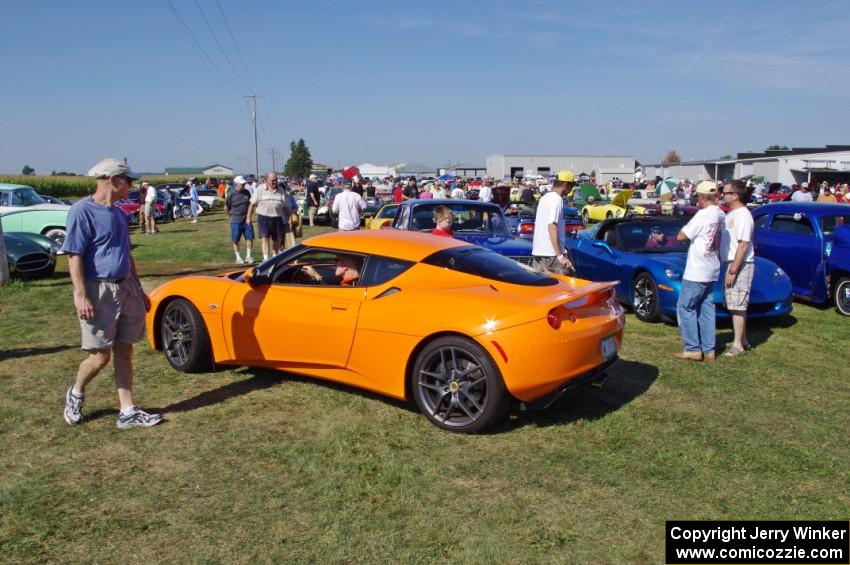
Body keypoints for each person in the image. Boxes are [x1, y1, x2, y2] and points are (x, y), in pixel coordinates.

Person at [61, 158, 162, 429]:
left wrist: (139, 290)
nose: (132, 185)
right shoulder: (82, 211)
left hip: (126, 287)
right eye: (129, 181)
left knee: (125, 350)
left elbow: (127, 255)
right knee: (100, 357)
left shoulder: (118, 213)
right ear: (114, 180)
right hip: (98, 290)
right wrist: (82, 295)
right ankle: (76, 392)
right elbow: (74, 256)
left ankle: (127, 411)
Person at [674, 180, 725, 362]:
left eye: (698, 197)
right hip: (712, 266)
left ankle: (693, 348)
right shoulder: (720, 214)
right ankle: (709, 349)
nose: (697, 200)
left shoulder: (703, 215)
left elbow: (682, 236)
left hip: (697, 269)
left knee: (685, 307)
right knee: (707, 308)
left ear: (703, 197)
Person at [720, 180, 754, 357]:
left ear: (735, 195)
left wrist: (733, 270)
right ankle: (744, 339)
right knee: (734, 303)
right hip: (730, 262)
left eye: (725, 192)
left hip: (739, 264)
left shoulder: (743, 215)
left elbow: (743, 245)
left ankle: (737, 345)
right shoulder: (732, 214)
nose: (722, 195)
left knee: (738, 305)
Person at [532, 170, 574, 275]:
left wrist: (565, 232)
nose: (571, 189)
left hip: (538, 253)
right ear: (565, 184)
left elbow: (545, 224)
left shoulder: (544, 198)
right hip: (552, 254)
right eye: (571, 186)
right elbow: (552, 226)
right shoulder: (557, 199)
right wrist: (560, 256)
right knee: (566, 287)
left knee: (542, 288)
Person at [247, 171, 290, 261]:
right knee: (265, 238)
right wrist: (248, 217)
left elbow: (286, 207)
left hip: (277, 218)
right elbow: (252, 204)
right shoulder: (260, 189)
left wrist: (290, 217)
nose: (275, 182)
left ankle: (274, 257)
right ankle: (266, 258)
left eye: (276, 180)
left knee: (277, 239)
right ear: (266, 180)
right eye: (273, 180)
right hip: (264, 218)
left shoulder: (281, 190)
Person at [225, 176, 254, 264]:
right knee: (236, 239)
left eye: (244, 184)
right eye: (241, 184)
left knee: (250, 237)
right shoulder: (231, 194)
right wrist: (231, 216)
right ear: (236, 184)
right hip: (235, 219)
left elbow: (250, 204)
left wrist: (250, 214)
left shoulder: (247, 192)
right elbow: (226, 207)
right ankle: (238, 258)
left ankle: (248, 256)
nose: (243, 185)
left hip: (246, 219)